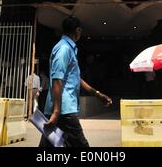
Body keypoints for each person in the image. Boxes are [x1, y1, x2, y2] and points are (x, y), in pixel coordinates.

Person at [39, 16, 112, 148]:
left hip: (61, 109)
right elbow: (57, 79)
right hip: (63, 110)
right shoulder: (64, 49)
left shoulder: (69, 48)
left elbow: (76, 78)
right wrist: (56, 112)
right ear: (78, 30)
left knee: (48, 146)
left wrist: (97, 94)